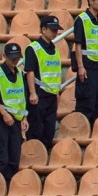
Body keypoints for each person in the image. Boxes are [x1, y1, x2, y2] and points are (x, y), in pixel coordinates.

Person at [0, 43, 29, 180]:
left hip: (16, 120)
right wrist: (4, 113)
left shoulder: (20, 73)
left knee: (14, 156)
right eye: (12, 57)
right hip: (1, 120)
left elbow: (22, 97)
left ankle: (9, 187)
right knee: (1, 157)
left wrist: (24, 117)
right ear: (4, 56)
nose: (15, 60)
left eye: (17, 57)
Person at [22, 15, 65, 146]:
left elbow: (55, 73)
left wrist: (57, 92)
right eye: (52, 30)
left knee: (49, 129)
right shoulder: (33, 48)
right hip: (39, 95)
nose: (55, 32)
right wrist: (33, 93)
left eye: (56, 30)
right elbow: (30, 71)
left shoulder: (55, 49)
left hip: (51, 95)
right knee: (36, 128)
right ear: (43, 29)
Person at [71, 0, 98, 121]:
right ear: (90, 1)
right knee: (86, 102)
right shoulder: (82, 20)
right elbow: (78, 45)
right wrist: (80, 67)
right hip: (87, 65)